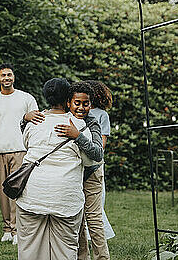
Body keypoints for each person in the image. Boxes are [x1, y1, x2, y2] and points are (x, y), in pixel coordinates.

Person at [16, 78, 99, 260]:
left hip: (32, 195)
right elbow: (89, 161)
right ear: (68, 99)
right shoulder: (78, 126)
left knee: (30, 248)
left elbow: (25, 144)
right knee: (65, 249)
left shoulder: (33, 122)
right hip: (66, 198)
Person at [0, 63, 38, 244]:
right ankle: (7, 229)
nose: (6, 78)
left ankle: (17, 230)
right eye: (3, 75)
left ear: (14, 77)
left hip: (20, 150)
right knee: (3, 191)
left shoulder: (26, 98)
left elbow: (36, 124)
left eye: (9, 75)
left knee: (18, 190)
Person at [77, 80, 115, 260]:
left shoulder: (95, 115)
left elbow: (100, 148)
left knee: (88, 215)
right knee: (89, 215)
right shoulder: (97, 115)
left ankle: (91, 256)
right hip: (84, 169)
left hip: (88, 168)